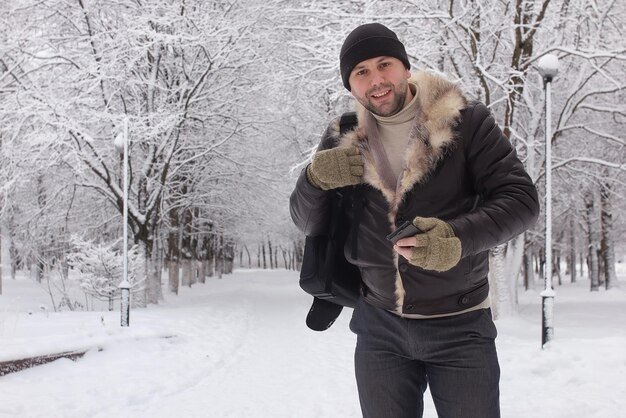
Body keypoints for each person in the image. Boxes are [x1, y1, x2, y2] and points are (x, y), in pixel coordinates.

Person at [289, 23, 539, 418]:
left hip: (460, 327)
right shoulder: (345, 134)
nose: (376, 80)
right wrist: (314, 180)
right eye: (361, 72)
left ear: (405, 67)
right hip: (379, 327)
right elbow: (308, 222)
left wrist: (456, 238)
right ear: (351, 85)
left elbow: (521, 200)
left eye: (384, 64)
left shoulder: (465, 121)